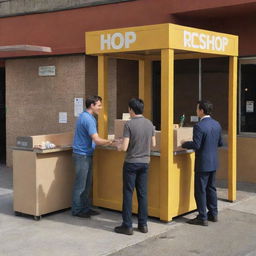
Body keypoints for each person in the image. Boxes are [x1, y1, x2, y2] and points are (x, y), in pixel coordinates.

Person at [114, 98, 156, 235]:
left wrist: (118, 145)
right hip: (145, 163)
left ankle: (127, 225)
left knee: (128, 193)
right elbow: (153, 144)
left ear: (131, 109)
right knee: (142, 194)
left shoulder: (129, 125)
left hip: (131, 163)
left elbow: (125, 147)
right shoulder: (150, 124)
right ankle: (143, 225)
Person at [182, 100, 223, 226]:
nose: (196, 111)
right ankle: (213, 213)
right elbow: (220, 143)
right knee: (211, 188)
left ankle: (202, 217)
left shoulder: (199, 126)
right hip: (213, 162)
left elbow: (196, 145)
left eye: (197, 109)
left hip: (202, 163)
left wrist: (184, 143)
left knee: (200, 190)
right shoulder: (217, 124)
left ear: (201, 111)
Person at [72, 95, 113, 218]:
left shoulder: (85, 116)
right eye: (99, 105)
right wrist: (111, 141)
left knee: (87, 184)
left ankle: (85, 208)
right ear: (92, 105)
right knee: (81, 185)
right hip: (82, 155)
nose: (100, 108)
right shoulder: (89, 119)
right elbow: (96, 139)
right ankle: (77, 210)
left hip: (86, 154)